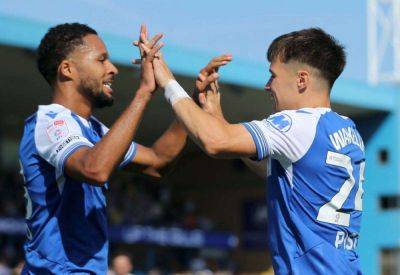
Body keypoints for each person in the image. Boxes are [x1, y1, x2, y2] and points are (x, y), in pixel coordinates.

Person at [145, 28, 365, 274]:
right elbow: (285, 175)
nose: (267, 85)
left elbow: (214, 142)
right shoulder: (347, 130)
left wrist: (167, 81)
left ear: (301, 80)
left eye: (273, 76)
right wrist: (219, 120)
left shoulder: (297, 124)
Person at [18, 23, 194, 274]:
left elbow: (158, 161)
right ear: (67, 69)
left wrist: (190, 101)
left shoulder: (95, 130)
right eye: (101, 60)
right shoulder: (49, 122)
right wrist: (143, 92)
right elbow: (95, 169)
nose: (113, 69)